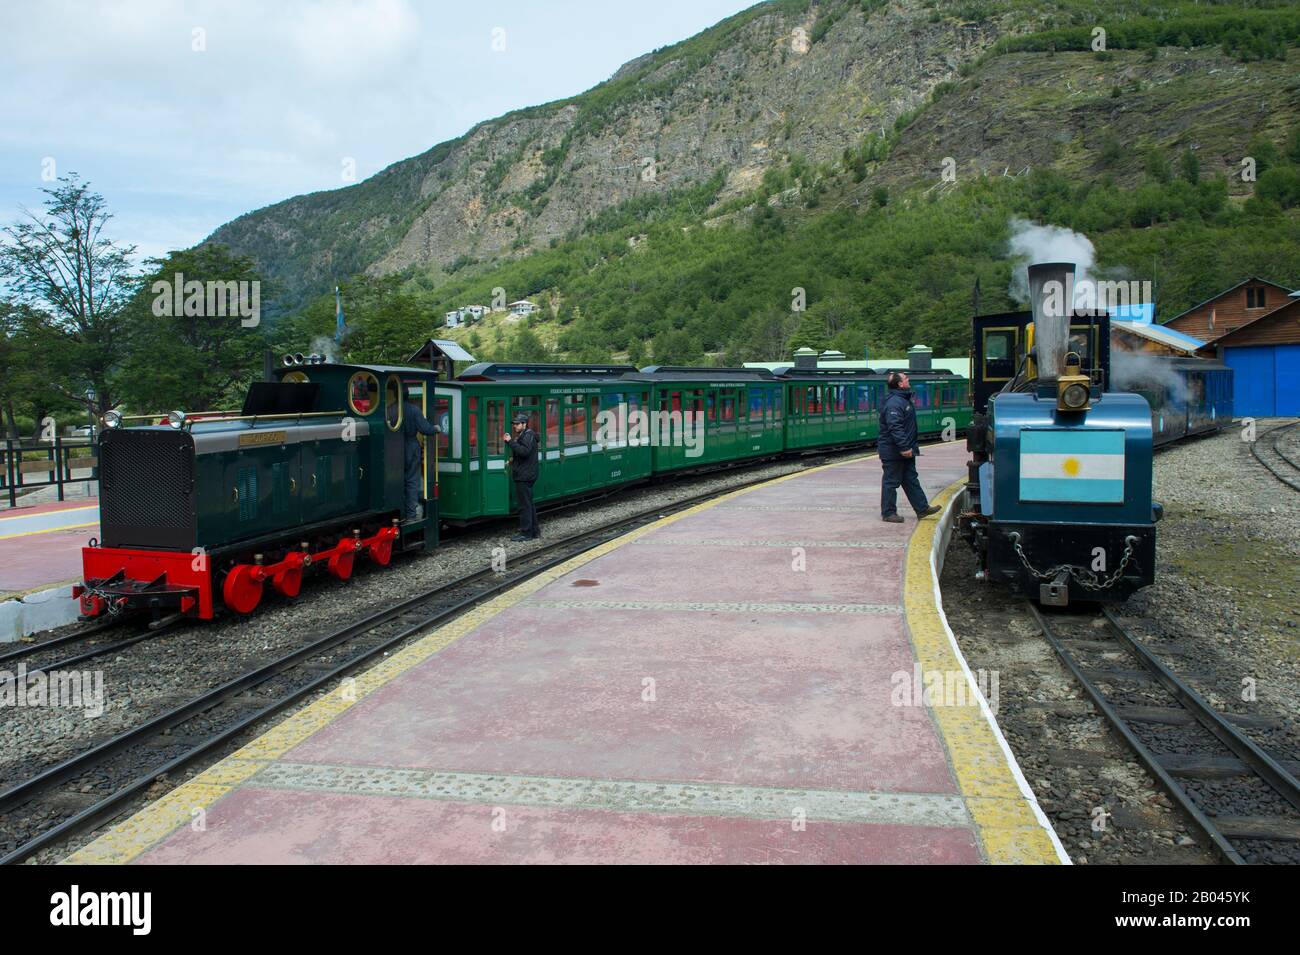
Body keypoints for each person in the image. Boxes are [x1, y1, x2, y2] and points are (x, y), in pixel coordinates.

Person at [878, 371, 942, 523]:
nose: (908, 379)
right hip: (894, 451)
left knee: (910, 479)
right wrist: (904, 447)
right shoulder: (895, 402)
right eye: (906, 378)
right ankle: (888, 513)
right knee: (891, 481)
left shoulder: (902, 399)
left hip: (904, 450)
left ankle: (922, 508)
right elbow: (895, 427)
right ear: (900, 384)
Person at [401, 387, 441, 521]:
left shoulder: (390, 409)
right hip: (411, 447)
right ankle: (411, 515)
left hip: (394, 448)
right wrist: (435, 428)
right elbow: (425, 429)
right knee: (412, 480)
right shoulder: (413, 410)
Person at [504, 411, 540, 541]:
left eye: (517, 424)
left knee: (524, 505)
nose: (515, 426)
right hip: (526, 473)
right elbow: (525, 453)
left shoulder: (528, 436)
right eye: (514, 424)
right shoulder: (526, 435)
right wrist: (513, 460)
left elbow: (524, 452)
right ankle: (534, 531)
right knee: (528, 503)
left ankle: (526, 533)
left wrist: (509, 442)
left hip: (525, 475)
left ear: (524, 424)